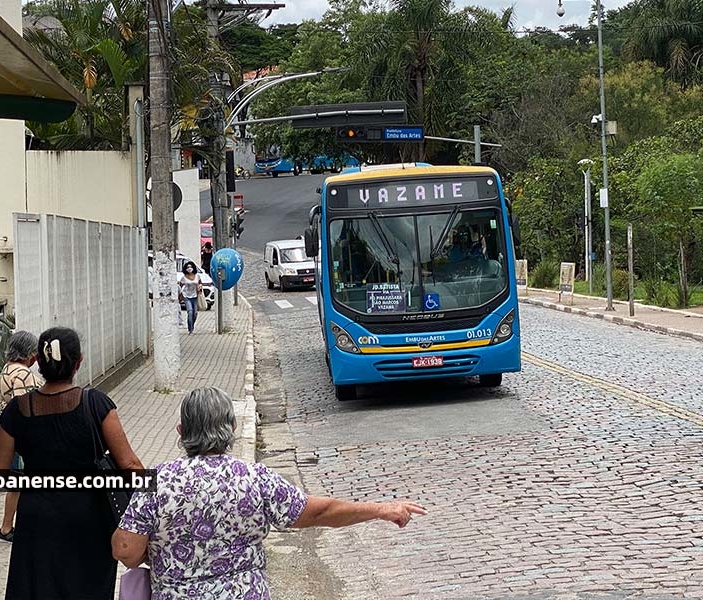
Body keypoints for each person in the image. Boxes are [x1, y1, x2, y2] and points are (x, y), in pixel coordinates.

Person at [112, 387, 427, 599]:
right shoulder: (255, 478)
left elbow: (125, 549)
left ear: (181, 431)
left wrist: (152, 552)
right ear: (232, 428)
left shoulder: (157, 482)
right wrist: (380, 509)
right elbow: (319, 512)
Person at [0, 326, 143, 600]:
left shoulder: (15, 411)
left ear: (38, 363)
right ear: (79, 362)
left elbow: (4, 473)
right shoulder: (96, 404)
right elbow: (130, 465)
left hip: (36, 520)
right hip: (89, 518)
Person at [0, 331, 41, 542]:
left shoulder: (7, 369)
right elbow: (23, 408)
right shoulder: (23, 374)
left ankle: (7, 525)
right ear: (27, 353)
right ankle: (7, 527)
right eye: (34, 351)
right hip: (19, 438)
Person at [178, 260, 202, 335]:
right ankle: (190, 329)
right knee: (190, 311)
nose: (189, 268)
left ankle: (192, 325)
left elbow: (200, 284)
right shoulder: (183, 278)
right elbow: (180, 287)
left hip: (195, 296)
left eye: (191, 267)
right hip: (186, 296)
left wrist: (199, 288)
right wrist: (180, 295)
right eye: (188, 267)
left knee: (195, 313)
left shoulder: (197, 276)